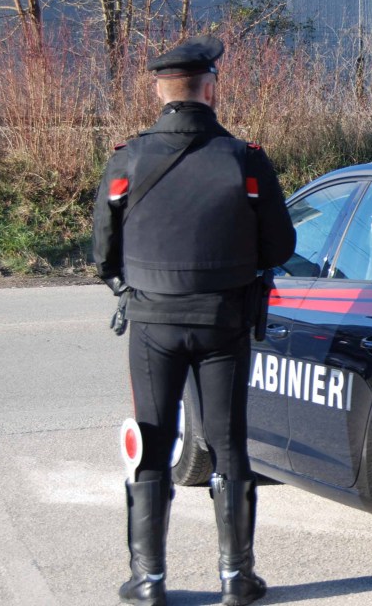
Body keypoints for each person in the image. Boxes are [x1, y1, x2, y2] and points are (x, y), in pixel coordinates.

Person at [93, 36, 296, 606]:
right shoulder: (245, 159)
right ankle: (237, 578)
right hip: (224, 321)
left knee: (152, 446)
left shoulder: (128, 158)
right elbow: (280, 245)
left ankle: (149, 580)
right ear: (210, 88)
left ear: (161, 91)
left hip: (153, 323)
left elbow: (102, 251)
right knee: (229, 448)